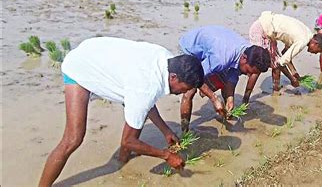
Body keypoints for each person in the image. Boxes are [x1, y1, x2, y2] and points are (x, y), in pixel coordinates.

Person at [39, 37, 205, 187]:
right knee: (73, 138)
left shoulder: (168, 60)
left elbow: (145, 103)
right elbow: (129, 141)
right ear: (174, 78)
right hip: (80, 66)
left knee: (137, 119)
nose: (184, 93)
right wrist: (166, 155)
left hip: (98, 51)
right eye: (185, 88)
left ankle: (121, 162)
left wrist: (165, 130)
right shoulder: (145, 87)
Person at [179, 25, 270, 131]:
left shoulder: (246, 51)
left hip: (213, 46)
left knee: (222, 80)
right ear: (244, 59)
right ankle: (184, 131)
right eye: (249, 71)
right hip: (190, 48)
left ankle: (221, 106)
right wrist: (214, 99)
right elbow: (195, 76)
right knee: (190, 89)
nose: (249, 75)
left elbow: (232, 75)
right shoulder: (221, 59)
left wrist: (230, 98)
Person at [248, 11, 322, 95]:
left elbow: (285, 53)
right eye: (318, 51)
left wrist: (294, 73)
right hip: (261, 30)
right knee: (258, 67)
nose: (315, 53)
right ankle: (246, 98)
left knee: (276, 64)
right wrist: (292, 79)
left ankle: (276, 91)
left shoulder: (307, 33)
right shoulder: (302, 41)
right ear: (315, 43)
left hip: (269, 31)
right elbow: (281, 63)